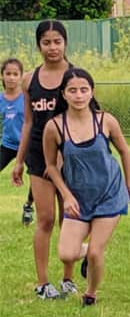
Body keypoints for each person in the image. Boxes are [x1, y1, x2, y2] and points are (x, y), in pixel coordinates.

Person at [42, 68, 130, 307]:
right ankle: (87, 250)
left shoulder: (105, 120)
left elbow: (125, 152)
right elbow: (51, 167)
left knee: (97, 252)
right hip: (77, 197)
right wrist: (66, 196)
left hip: (109, 193)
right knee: (67, 254)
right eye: (72, 90)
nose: (78, 95)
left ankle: (90, 294)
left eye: (83, 90)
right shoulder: (54, 126)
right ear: (63, 94)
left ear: (91, 92)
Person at [10, 20, 77, 299]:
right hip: (39, 155)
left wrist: (65, 152)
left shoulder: (75, 77)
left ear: (65, 43)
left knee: (69, 218)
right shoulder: (29, 80)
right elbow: (28, 122)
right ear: (39, 45)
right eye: (47, 42)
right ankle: (42, 283)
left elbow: (83, 117)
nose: (52, 47)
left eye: (57, 41)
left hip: (69, 155)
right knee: (46, 218)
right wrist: (19, 160)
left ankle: (68, 279)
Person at [1, 57, 33, 224]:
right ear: (2, 76)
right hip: (7, 145)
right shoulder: (1, 99)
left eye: (15, 74)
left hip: (27, 146)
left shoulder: (27, 97)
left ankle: (28, 206)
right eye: (8, 73)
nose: (11, 77)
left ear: (21, 76)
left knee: (37, 177)